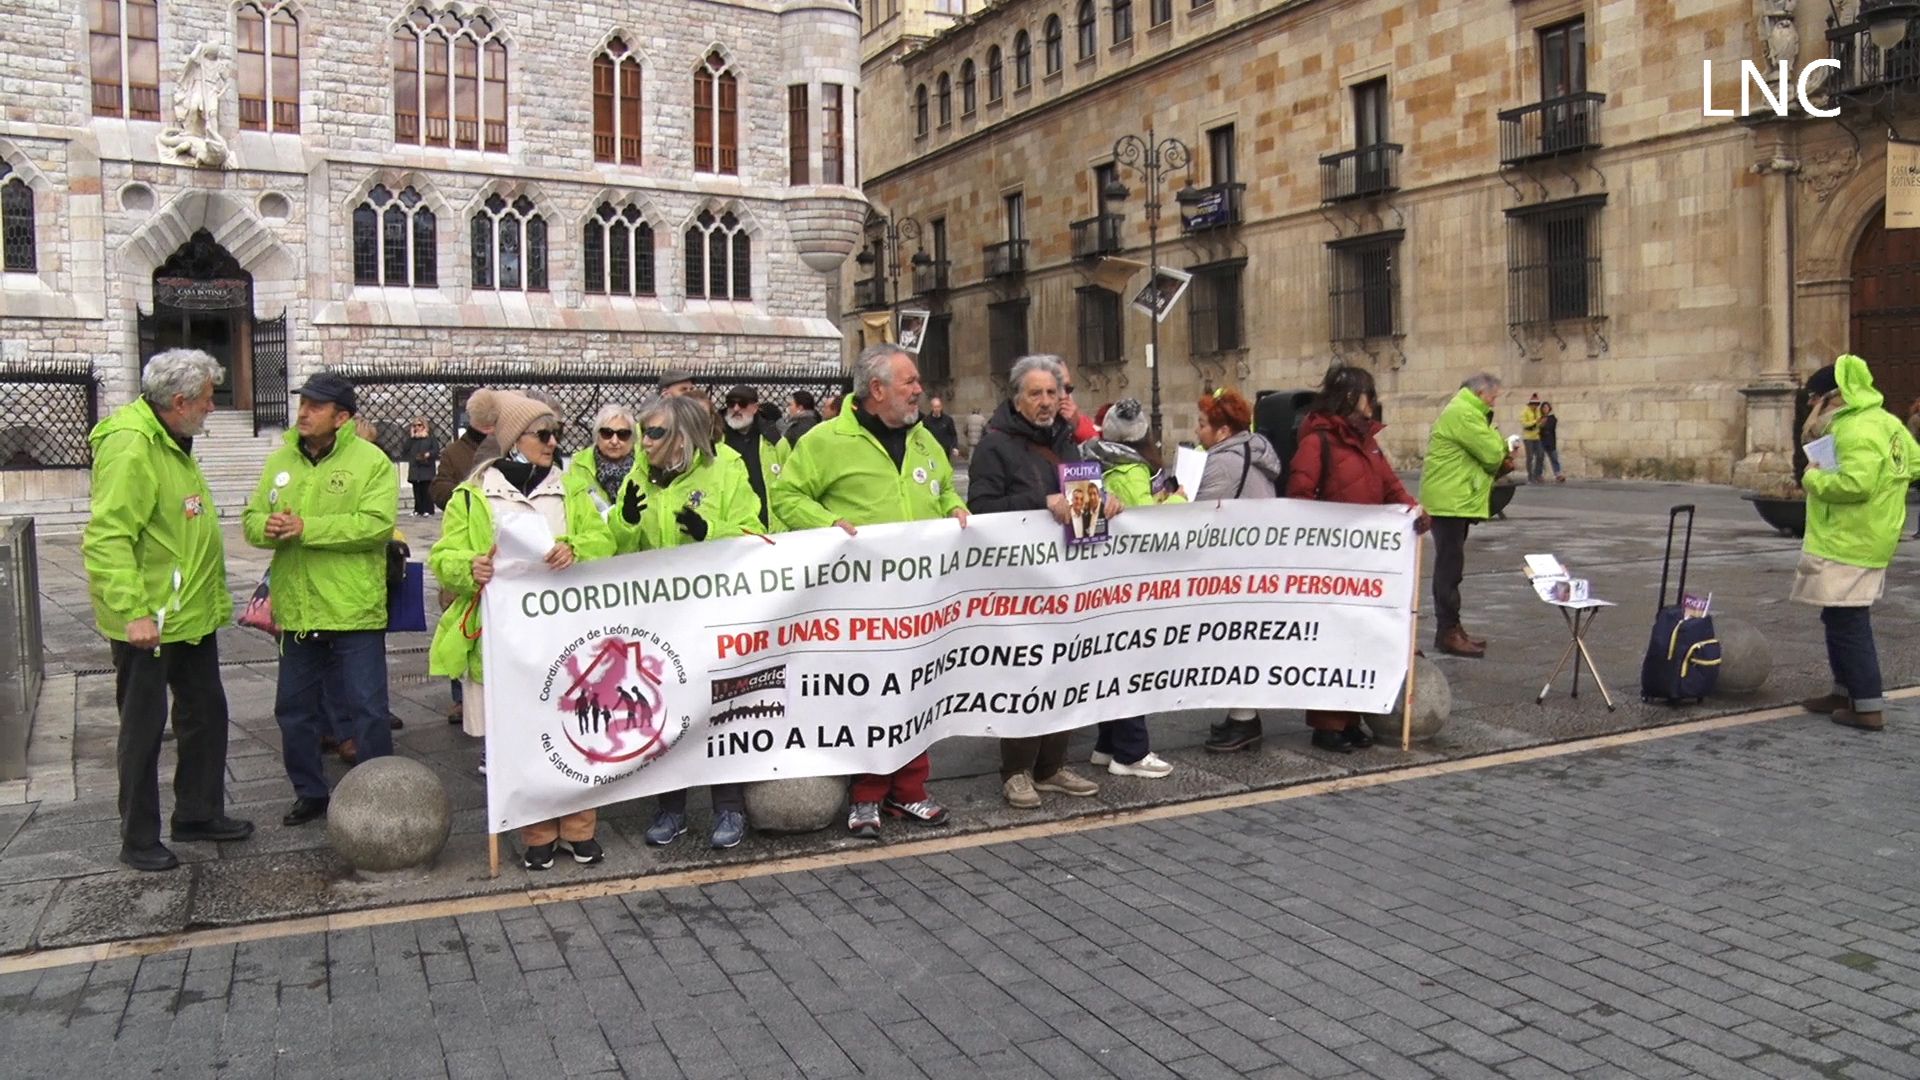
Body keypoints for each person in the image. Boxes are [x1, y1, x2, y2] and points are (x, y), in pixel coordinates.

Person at [772, 343, 967, 839]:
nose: (919, 390)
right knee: (870, 694)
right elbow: (787, 496)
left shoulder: (926, 440)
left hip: (923, 596)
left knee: (918, 689)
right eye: (910, 382)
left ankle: (910, 792)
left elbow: (943, 488)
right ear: (876, 389)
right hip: (859, 601)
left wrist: (953, 508)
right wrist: (829, 525)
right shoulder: (824, 441)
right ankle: (866, 796)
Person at [428, 393, 616, 869]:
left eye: (556, 435)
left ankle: (579, 828)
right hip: (505, 638)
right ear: (512, 441)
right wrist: (468, 567)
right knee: (523, 735)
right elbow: (444, 557)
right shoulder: (473, 493)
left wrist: (575, 546)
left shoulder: (571, 488)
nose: (553, 443)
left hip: (566, 633)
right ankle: (536, 832)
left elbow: (604, 539)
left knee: (575, 725)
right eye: (543, 435)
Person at [83, 349, 253, 872]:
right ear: (178, 402)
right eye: (206, 400)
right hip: (150, 623)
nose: (212, 408)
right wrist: (132, 611)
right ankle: (138, 837)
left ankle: (198, 813)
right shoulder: (132, 446)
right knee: (144, 729)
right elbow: (108, 537)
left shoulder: (174, 440)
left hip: (190, 618)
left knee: (206, 716)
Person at [242, 373, 399, 827]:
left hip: (352, 607)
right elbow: (252, 517)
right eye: (303, 403)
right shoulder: (281, 460)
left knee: (368, 708)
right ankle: (309, 791)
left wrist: (308, 529)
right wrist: (265, 527)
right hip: (297, 607)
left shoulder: (370, 461)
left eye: (316, 405)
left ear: (342, 416)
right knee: (293, 709)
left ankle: (380, 794)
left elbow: (375, 526)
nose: (304, 412)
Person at [967, 354, 1110, 809]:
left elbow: (1080, 502)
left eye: (1054, 392)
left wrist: (1105, 503)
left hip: (1068, 576)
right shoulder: (994, 445)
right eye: (1037, 393)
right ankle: (1016, 771)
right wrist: (1040, 500)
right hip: (1019, 581)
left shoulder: (1068, 440)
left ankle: (1050, 767)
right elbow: (983, 509)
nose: (1047, 401)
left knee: (1065, 668)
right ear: (1017, 398)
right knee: (1025, 674)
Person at [624, 396, 763, 849]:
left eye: (656, 433)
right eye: (644, 431)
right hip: (662, 618)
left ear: (683, 435)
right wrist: (624, 522)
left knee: (722, 711)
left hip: (717, 615)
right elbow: (618, 546)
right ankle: (671, 809)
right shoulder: (640, 473)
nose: (645, 442)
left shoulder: (726, 468)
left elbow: (754, 533)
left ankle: (728, 808)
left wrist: (708, 532)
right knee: (666, 713)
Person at [1285, 365, 1429, 753]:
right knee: (1333, 640)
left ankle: (1350, 718)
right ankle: (1327, 724)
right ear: (1352, 397)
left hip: (1366, 562)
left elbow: (1390, 486)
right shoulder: (1318, 442)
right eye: (1369, 393)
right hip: (1333, 563)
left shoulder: (1369, 443)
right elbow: (1300, 495)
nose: (1373, 402)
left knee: (1361, 639)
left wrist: (1413, 511)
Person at [1795, 357, 1919, 733]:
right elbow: (1913, 464)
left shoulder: (1855, 429)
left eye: (1817, 399)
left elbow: (1855, 485)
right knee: (1838, 615)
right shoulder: (1888, 423)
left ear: (1834, 396)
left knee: (1849, 620)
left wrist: (1813, 479)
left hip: (1849, 537)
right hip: (1870, 535)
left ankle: (1866, 706)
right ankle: (1843, 691)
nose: (1813, 408)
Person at [1079, 397, 1179, 779]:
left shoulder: (1091, 455)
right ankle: (1131, 751)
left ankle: (1108, 743)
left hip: (1100, 575)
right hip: (1130, 579)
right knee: (1129, 661)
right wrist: (1181, 499)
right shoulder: (1133, 467)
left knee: (1109, 659)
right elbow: (1150, 523)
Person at [1193, 389, 1283, 752]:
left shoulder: (1223, 462)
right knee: (1240, 640)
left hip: (1235, 567)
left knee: (1235, 642)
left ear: (1223, 431)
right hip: (1255, 563)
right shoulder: (1253, 450)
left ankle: (1245, 722)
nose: (1197, 432)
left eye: (1202, 425)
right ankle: (1240, 716)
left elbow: (1197, 513)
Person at [1419, 373, 1513, 659]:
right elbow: (1492, 451)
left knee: (1452, 567)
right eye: (1493, 397)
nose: (1494, 401)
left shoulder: (1468, 412)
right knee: (1449, 569)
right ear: (1482, 392)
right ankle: (1448, 632)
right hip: (1448, 501)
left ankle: (1452, 629)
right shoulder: (1464, 412)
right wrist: (1503, 448)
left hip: (1454, 498)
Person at [431, 390, 499, 728]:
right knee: (461, 626)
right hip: (467, 545)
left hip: (490, 554)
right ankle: (460, 697)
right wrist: (462, 492)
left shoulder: (502, 444)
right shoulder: (455, 452)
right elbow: (439, 487)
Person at [719, 384, 788, 530]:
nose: (736, 409)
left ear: (755, 408)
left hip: (769, 526)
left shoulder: (774, 440)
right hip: (730, 528)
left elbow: (789, 483)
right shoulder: (716, 440)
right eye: (731, 403)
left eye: (742, 403)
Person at [564, 403, 640, 517]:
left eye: (623, 434)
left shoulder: (643, 465)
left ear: (632, 438)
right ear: (597, 435)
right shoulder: (578, 465)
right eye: (607, 433)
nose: (614, 441)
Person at [403, 417, 440, 516]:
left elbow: (436, 451)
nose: (417, 427)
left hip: (426, 467)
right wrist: (411, 437)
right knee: (417, 490)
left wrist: (428, 454)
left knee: (426, 489)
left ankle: (427, 509)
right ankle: (417, 509)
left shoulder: (430, 438)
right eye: (415, 425)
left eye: (419, 425)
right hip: (415, 468)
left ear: (424, 426)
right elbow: (405, 450)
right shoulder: (413, 440)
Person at [923, 396, 960, 461]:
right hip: (931, 450)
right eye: (935, 407)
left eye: (938, 406)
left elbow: (953, 434)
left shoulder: (948, 420)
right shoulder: (926, 421)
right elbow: (923, 435)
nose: (937, 409)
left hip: (944, 450)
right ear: (932, 408)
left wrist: (955, 447)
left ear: (941, 407)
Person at [1521, 393, 1546, 483]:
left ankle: (1537, 474)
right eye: (1534, 404)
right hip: (1528, 437)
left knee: (1540, 455)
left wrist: (1541, 423)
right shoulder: (1525, 411)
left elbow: (1539, 423)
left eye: (1537, 404)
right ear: (1530, 404)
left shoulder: (1538, 411)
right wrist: (1536, 421)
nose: (1535, 406)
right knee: (1530, 457)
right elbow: (1524, 423)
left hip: (1537, 436)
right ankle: (1530, 476)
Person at [1539, 401, 1564, 483]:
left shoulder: (1552, 418)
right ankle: (1540, 475)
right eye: (1543, 407)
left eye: (1546, 407)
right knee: (1541, 458)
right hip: (1542, 440)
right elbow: (1538, 428)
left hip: (1550, 441)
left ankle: (1558, 474)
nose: (1545, 409)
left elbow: (1550, 427)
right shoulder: (1539, 418)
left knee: (1554, 458)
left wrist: (1543, 424)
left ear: (1549, 409)